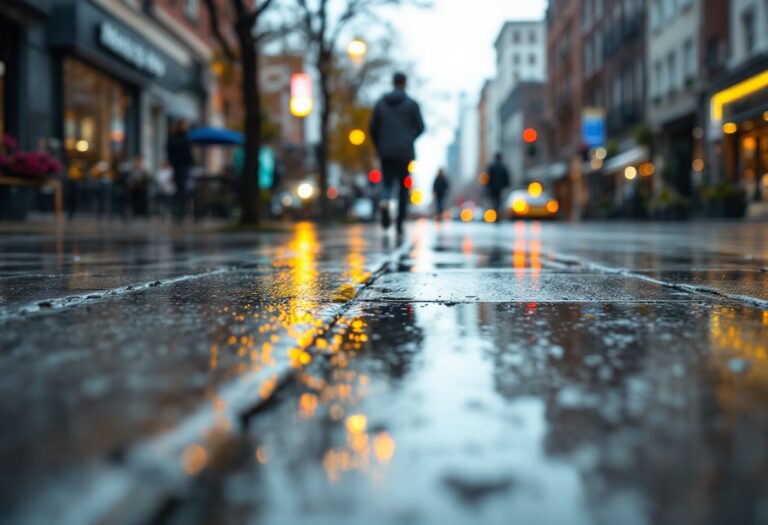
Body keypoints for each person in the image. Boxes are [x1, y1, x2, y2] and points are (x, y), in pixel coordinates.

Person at [369, 72, 425, 234]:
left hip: (386, 151)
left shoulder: (380, 103)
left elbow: (373, 128)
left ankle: (385, 202)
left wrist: (379, 144)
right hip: (404, 152)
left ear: (393, 83)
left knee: (386, 183)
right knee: (403, 187)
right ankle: (399, 222)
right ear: (404, 83)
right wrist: (409, 138)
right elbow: (421, 127)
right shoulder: (412, 104)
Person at [165, 119, 195, 223]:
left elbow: (169, 153)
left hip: (176, 167)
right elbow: (188, 154)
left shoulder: (172, 139)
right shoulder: (184, 139)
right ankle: (180, 212)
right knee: (182, 190)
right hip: (183, 167)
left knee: (179, 189)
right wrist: (191, 163)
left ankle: (178, 212)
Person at [487, 153, 511, 221]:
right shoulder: (502, 167)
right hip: (499, 188)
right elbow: (507, 178)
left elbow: (489, 178)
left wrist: (488, 187)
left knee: (495, 202)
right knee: (498, 202)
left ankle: (496, 214)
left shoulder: (492, 167)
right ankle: (497, 215)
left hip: (494, 188)